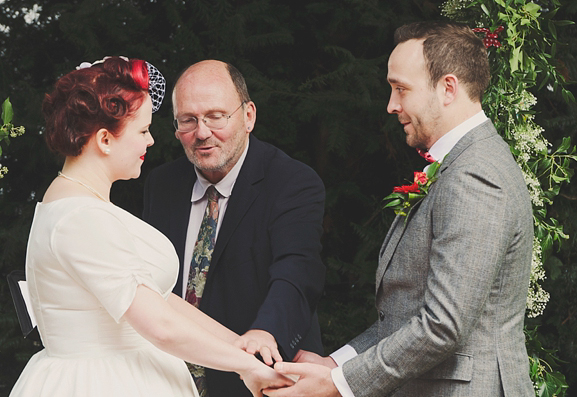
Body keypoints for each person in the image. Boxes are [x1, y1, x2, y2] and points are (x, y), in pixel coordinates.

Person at [265, 21, 535, 397]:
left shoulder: (475, 175)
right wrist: (337, 363)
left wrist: (339, 385)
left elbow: (442, 325)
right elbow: (407, 315)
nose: (391, 105)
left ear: (448, 88)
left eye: (401, 89)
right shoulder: (460, 164)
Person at [9, 56, 291, 397]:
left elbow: (160, 302)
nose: (151, 141)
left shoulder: (86, 205)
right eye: (142, 130)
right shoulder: (79, 218)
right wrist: (244, 366)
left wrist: (242, 347)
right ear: (104, 140)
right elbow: (159, 326)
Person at [142, 59, 326, 396]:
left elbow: (296, 271)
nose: (201, 132)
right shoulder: (161, 184)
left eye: (215, 116)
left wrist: (267, 332)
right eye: (188, 120)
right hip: (167, 381)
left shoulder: (292, 182)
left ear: (248, 116)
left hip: (259, 381)